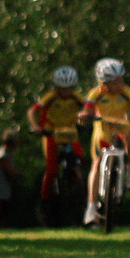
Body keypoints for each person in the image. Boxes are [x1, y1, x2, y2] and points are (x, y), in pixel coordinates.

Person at [76, 58, 130, 225]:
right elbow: (87, 110)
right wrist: (84, 116)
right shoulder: (95, 93)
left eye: (121, 79)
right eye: (115, 81)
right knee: (96, 164)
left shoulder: (127, 91)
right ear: (104, 83)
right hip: (103, 129)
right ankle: (91, 207)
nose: (120, 83)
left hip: (123, 126)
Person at [26, 66, 87, 209]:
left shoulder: (76, 97)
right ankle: (45, 199)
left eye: (69, 88)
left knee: (79, 157)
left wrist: (89, 119)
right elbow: (32, 111)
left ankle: (76, 183)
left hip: (69, 133)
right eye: (62, 89)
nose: (66, 92)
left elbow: (88, 108)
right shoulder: (50, 97)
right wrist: (36, 126)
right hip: (51, 133)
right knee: (52, 169)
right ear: (57, 87)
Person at [0, 129, 26, 228]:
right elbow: (10, 171)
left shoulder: (7, 154)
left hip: (4, 188)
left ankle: (2, 228)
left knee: (4, 210)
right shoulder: (2, 154)